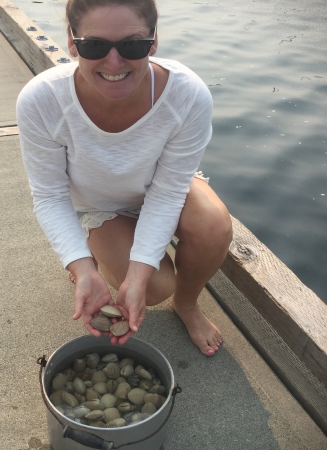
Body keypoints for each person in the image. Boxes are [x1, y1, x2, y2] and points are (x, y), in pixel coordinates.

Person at [16, 0, 232, 356]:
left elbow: (167, 193)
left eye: (132, 45)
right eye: (94, 45)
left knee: (214, 224)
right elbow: (50, 196)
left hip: (157, 188)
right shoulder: (42, 100)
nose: (113, 63)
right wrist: (82, 267)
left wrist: (139, 269)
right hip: (98, 203)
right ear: (72, 43)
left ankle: (188, 303)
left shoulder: (187, 94)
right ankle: (91, 250)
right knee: (154, 288)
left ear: (154, 41)